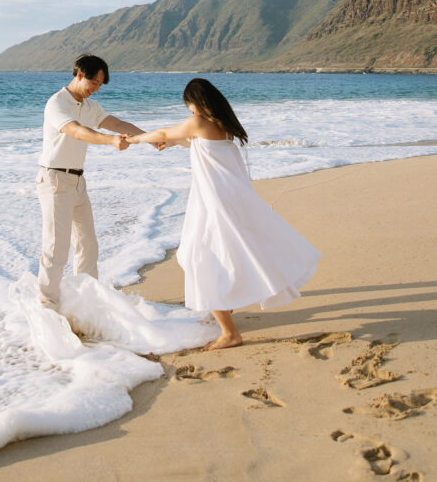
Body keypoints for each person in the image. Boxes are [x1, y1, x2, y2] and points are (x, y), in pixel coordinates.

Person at [126, 78, 321, 350]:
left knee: (201, 259)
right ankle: (221, 310)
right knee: (217, 255)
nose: (190, 111)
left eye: (189, 106)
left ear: (196, 103)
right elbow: (201, 145)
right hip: (229, 202)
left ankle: (230, 332)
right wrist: (175, 144)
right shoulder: (223, 128)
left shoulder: (197, 122)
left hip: (213, 205)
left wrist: (134, 138)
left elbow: (162, 133)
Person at [37, 53, 148, 308]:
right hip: (54, 180)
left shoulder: (90, 106)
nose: (96, 89)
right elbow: (75, 130)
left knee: (88, 246)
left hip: (78, 182)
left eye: (100, 84)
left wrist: (150, 137)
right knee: (56, 249)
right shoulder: (57, 103)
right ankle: (47, 306)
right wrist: (110, 141)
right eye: (94, 82)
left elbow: (116, 122)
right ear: (79, 75)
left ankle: (86, 302)